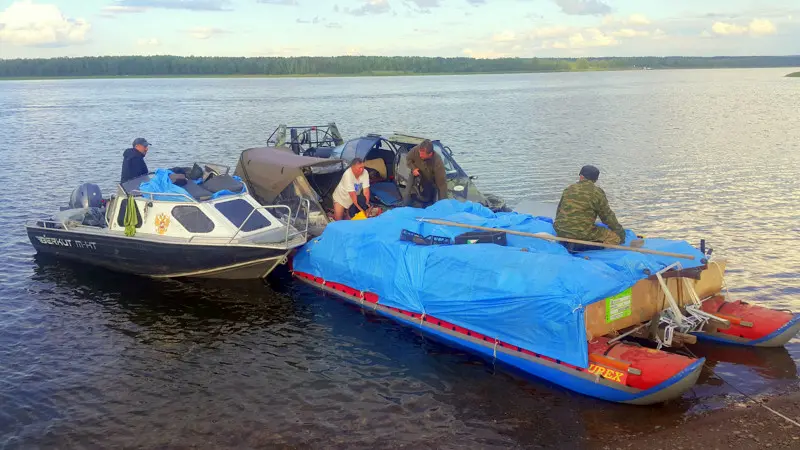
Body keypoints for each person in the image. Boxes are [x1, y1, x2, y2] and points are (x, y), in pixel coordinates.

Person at [553, 165, 627, 249]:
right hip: (581, 233)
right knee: (614, 238)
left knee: (581, 229)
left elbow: (559, 211)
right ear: (595, 180)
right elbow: (607, 217)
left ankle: (569, 242)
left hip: (560, 230)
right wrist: (620, 234)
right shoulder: (597, 192)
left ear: (581, 176)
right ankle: (584, 247)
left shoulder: (568, 189)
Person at [403, 139, 448, 208]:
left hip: (430, 177)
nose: (420, 156)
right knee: (407, 193)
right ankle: (407, 208)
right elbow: (408, 159)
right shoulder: (415, 150)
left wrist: (443, 204)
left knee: (430, 197)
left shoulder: (437, 162)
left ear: (430, 154)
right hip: (416, 173)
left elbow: (442, 185)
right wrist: (413, 168)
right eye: (419, 153)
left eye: (422, 155)